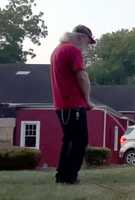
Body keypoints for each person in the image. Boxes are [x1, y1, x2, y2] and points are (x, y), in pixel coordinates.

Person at [50, 25, 96, 184]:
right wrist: (88, 101)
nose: (88, 46)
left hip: (62, 105)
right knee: (79, 141)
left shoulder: (58, 50)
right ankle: (70, 177)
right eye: (88, 42)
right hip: (73, 104)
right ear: (81, 37)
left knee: (69, 140)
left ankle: (62, 175)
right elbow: (82, 77)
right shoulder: (73, 51)